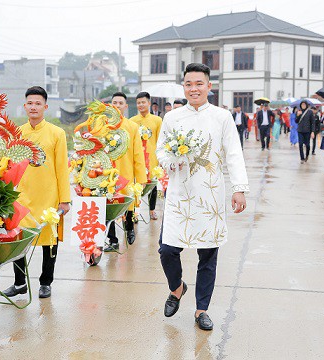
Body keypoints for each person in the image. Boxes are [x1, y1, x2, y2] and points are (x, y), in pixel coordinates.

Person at [156, 63, 248, 331]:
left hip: (210, 194)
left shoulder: (222, 117)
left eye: (199, 84)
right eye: (188, 84)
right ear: (183, 87)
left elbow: (233, 153)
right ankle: (177, 288)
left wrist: (238, 188)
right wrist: (171, 161)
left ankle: (201, 310)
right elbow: (161, 151)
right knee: (167, 249)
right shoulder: (172, 118)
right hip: (179, 193)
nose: (193, 89)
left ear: (210, 86)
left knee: (208, 253)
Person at [3, 86, 71, 299]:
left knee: (49, 241)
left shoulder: (56, 133)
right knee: (17, 239)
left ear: (45, 107)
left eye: (38, 103)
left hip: (49, 196)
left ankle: (45, 282)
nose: (34, 107)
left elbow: (62, 168)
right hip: (22, 196)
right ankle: (20, 282)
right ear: (25, 106)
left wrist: (65, 200)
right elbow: (8, 164)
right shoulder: (17, 133)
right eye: (30, 103)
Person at [105, 92, 147, 251]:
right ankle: (113, 239)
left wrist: (141, 178)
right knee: (109, 205)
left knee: (127, 202)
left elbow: (138, 153)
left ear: (125, 106)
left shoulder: (132, 127)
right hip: (107, 173)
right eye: (114, 102)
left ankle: (129, 228)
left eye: (120, 103)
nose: (117, 105)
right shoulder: (103, 126)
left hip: (126, 170)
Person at [130, 92, 163, 220]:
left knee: (152, 185)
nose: (141, 105)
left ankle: (152, 210)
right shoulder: (132, 121)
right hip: (137, 159)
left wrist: (159, 159)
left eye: (143, 102)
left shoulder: (157, 120)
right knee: (136, 186)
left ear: (149, 103)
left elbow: (160, 140)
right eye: (138, 103)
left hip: (152, 158)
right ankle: (135, 212)